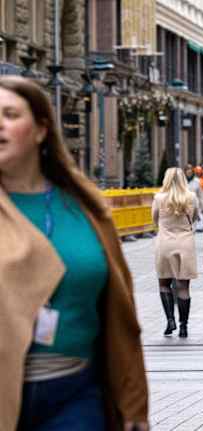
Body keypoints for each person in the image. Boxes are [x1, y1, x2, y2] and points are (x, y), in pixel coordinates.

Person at [0, 76, 148, 430]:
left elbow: (120, 314)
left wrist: (132, 406)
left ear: (40, 130)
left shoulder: (86, 208)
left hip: (75, 395)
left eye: (9, 114)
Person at [153, 167, 198, 338]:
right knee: (183, 287)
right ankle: (184, 326)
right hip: (185, 243)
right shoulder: (191, 197)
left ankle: (170, 319)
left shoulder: (158, 198)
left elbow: (155, 219)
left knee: (164, 283)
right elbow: (195, 217)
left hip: (165, 243)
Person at [185, 164, 203, 232]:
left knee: (194, 228)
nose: (189, 172)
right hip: (184, 207)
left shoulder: (197, 181)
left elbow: (201, 195)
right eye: (187, 170)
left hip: (195, 207)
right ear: (185, 172)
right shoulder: (182, 181)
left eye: (190, 170)